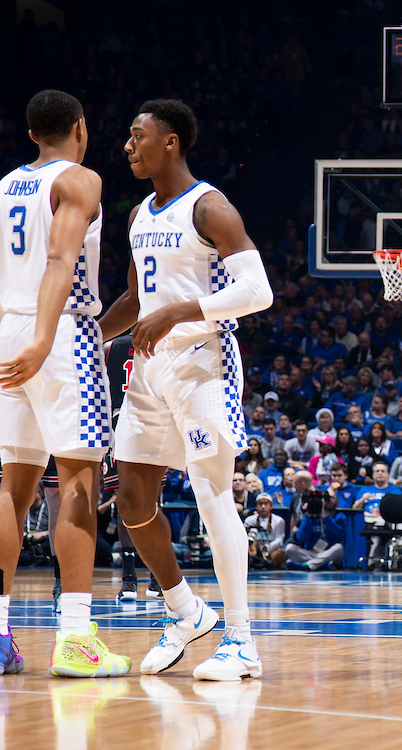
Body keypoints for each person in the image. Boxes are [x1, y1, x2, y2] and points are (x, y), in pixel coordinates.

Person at [99, 98, 272, 681]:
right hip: (149, 368)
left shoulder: (210, 207)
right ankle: (186, 611)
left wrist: (179, 311)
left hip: (204, 362)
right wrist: (88, 339)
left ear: (170, 142)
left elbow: (258, 292)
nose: (128, 146)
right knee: (131, 499)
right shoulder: (138, 214)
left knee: (211, 493)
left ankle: (241, 640)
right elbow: (135, 300)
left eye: (138, 135)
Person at [0, 89, 127, 678]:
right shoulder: (81, 180)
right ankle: (76, 638)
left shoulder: (3, 188)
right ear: (80, 128)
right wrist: (44, 339)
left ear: (32, 133)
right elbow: (61, 261)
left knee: (13, 487)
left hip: (9, 333)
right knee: (79, 483)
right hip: (62, 335)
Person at [243, 493, 285, 567]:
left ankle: (267, 562)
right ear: (256, 506)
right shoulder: (249, 520)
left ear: (271, 506)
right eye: (260, 504)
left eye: (266, 504)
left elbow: (279, 540)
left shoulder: (279, 520)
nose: (263, 507)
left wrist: (266, 547)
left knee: (280, 553)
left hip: (271, 550)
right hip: (254, 549)